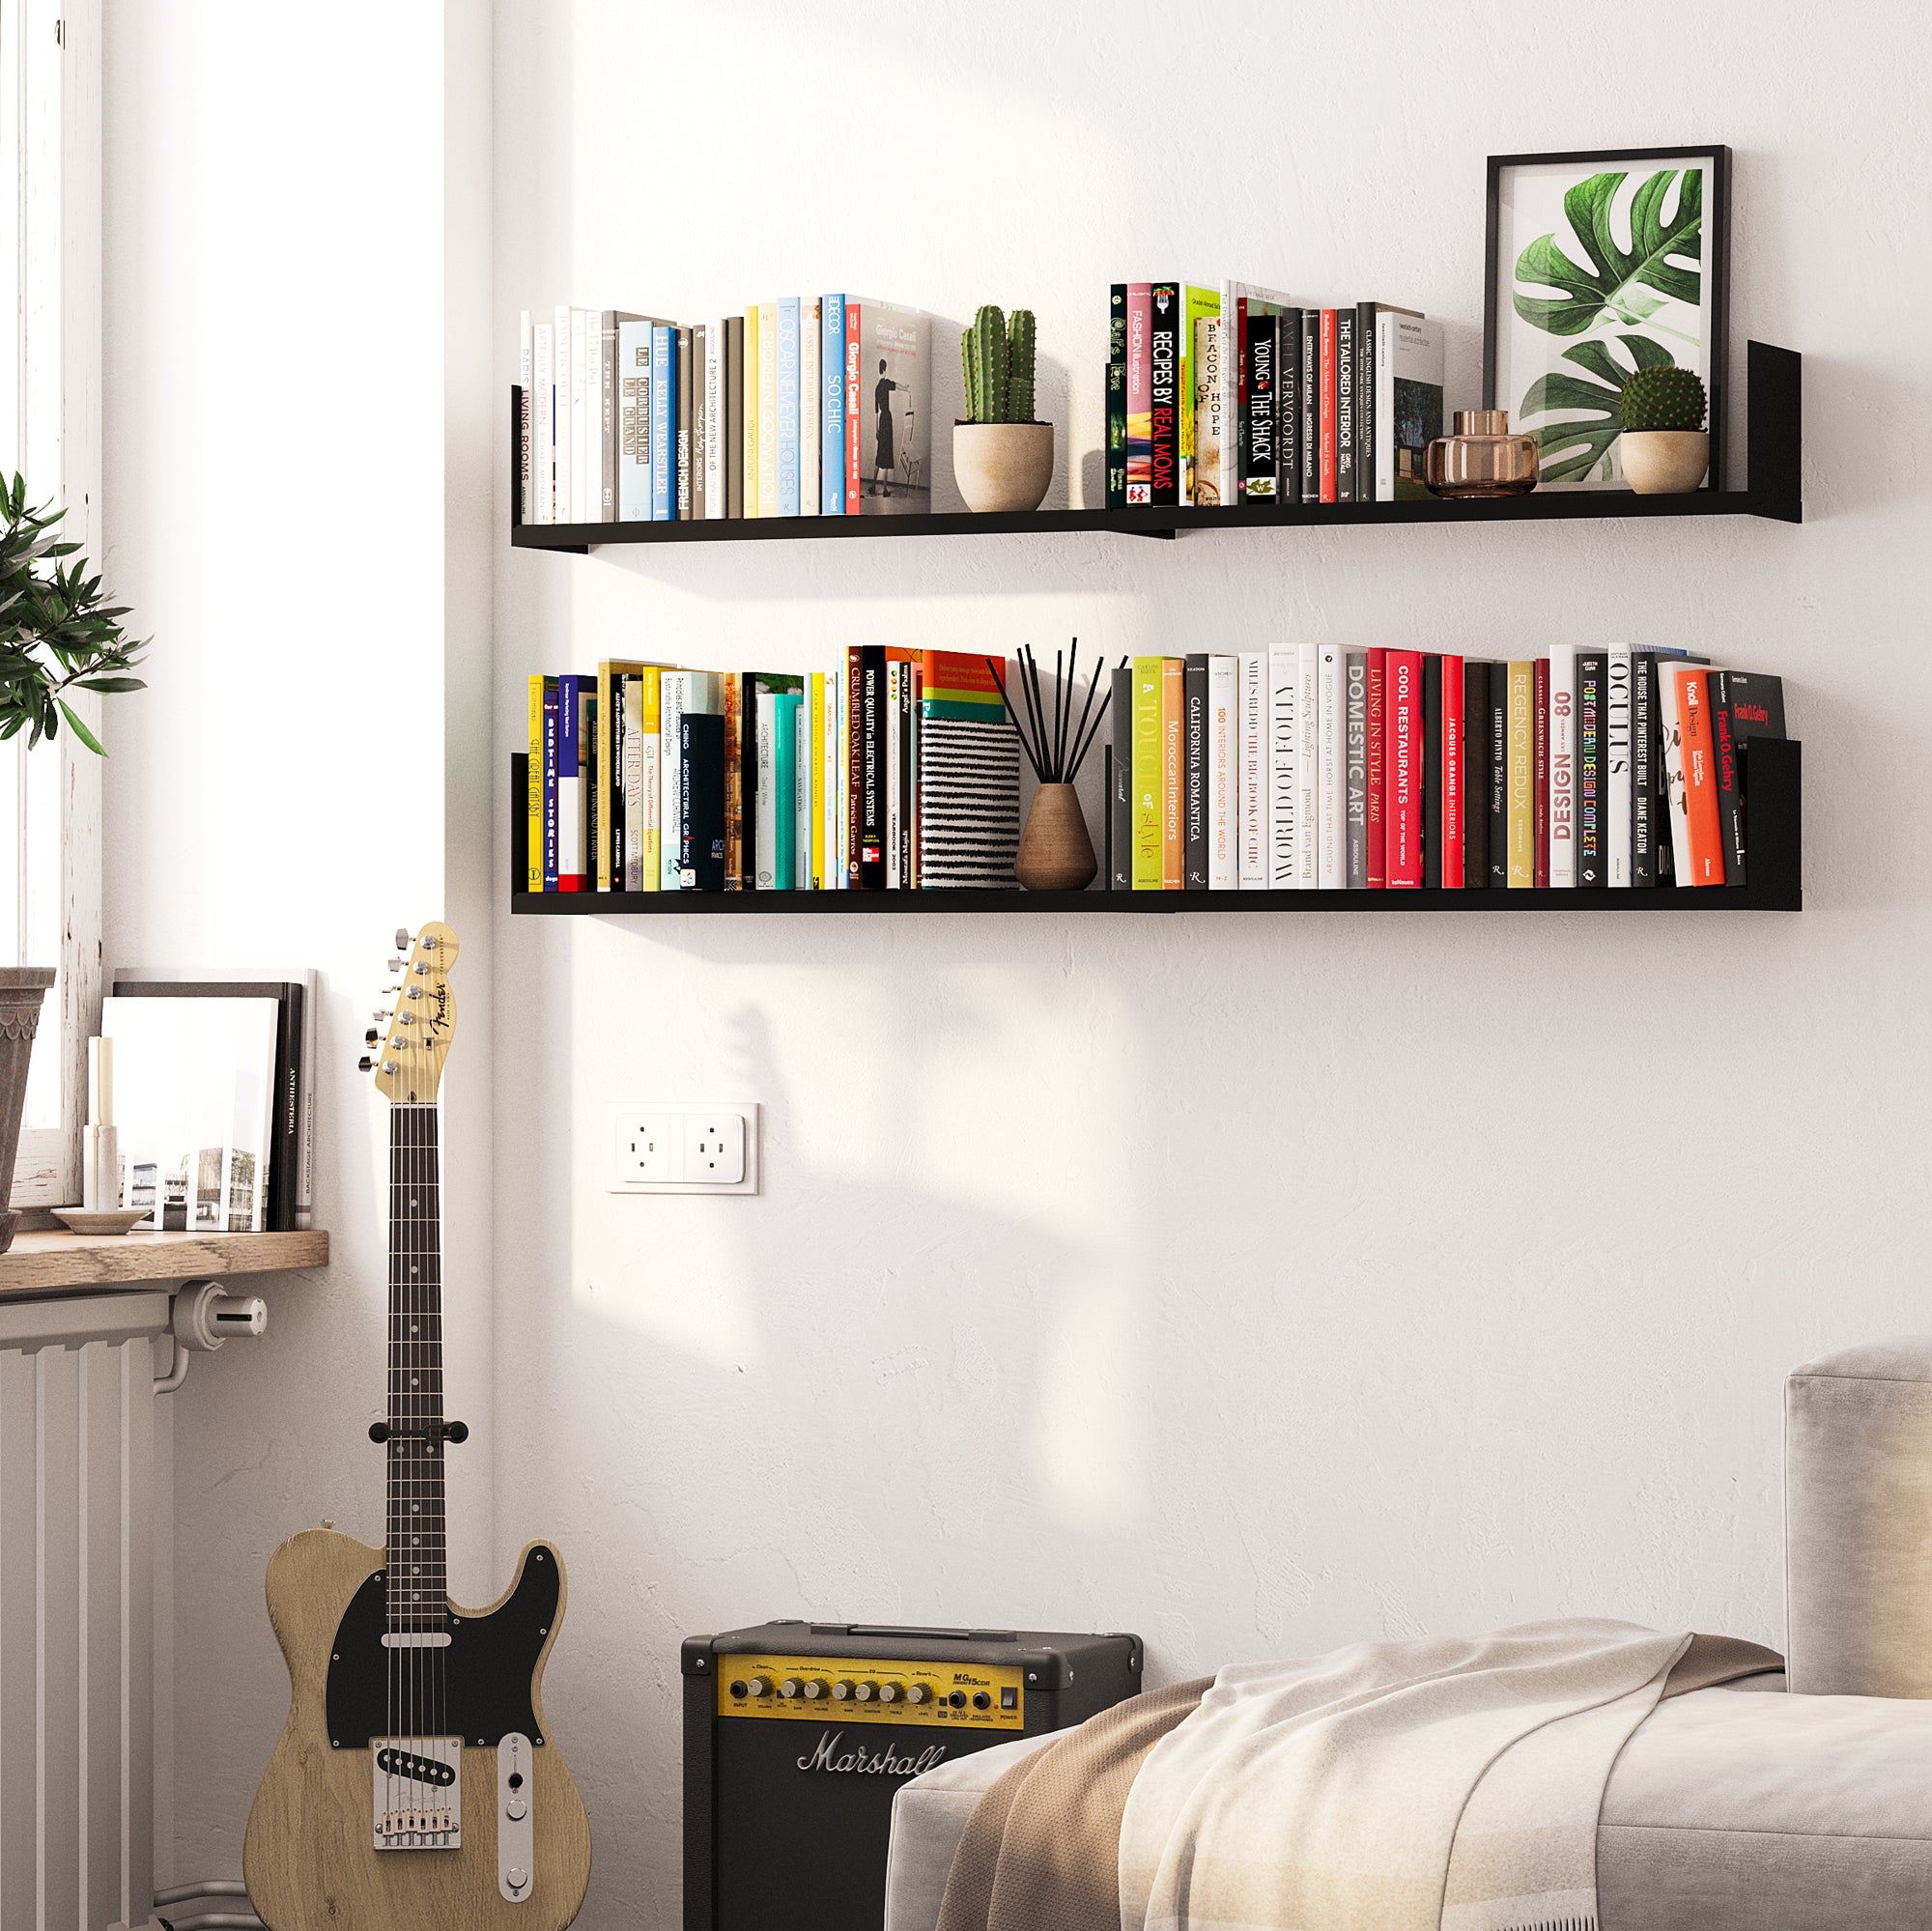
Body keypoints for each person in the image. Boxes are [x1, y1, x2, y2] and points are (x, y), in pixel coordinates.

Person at [870, 358, 898, 497]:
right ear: (885, 369)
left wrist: (876, 428)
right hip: (887, 419)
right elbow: (897, 386)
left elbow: (876, 410)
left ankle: (874, 485)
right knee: (887, 452)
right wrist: (906, 387)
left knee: (879, 452)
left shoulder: (877, 387)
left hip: (881, 421)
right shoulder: (886, 384)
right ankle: (885, 489)